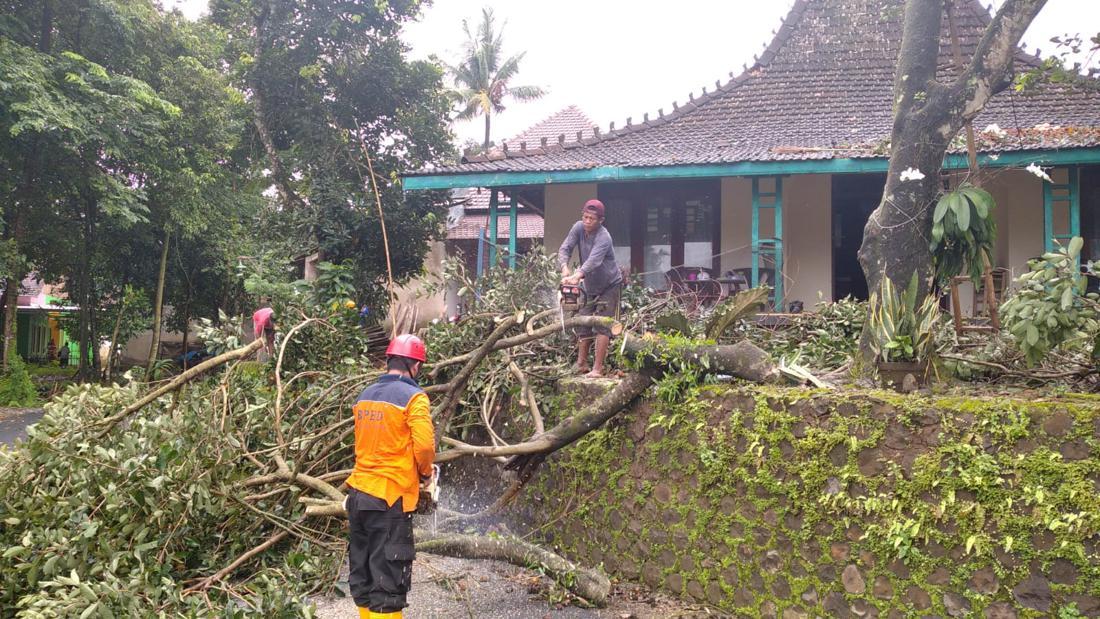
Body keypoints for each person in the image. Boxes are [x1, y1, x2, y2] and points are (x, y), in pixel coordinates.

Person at [345, 334, 435, 619]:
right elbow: (424, 447)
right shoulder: (415, 398)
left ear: (388, 361)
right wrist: (426, 474)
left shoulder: (365, 396)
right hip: (389, 498)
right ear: (415, 366)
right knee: (388, 585)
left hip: (358, 497)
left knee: (364, 578)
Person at [558, 198, 622, 378]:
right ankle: (581, 364)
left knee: (602, 325)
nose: (587, 221)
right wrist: (564, 268)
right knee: (584, 323)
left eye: (591, 219)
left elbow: (593, 260)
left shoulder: (604, 237)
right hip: (589, 285)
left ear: (600, 220)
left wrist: (576, 276)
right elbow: (565, 249)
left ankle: (598, 368)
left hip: (609, 285)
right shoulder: (577, 228)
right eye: (585, 217)